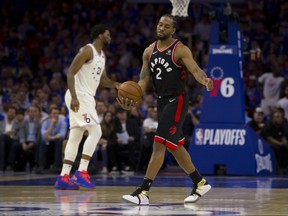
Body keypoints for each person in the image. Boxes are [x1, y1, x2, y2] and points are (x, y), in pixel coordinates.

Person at [120, 14, 214, 205]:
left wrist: (204, 80)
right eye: (160, 24)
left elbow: (195, 70)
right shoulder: (148, 51)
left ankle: (143, 192)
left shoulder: (180, 49)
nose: (161, 28)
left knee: (159, 143)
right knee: (175, 147)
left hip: (177, 100)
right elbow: (144, 79)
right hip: (161, 101)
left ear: (173, 30)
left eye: (166, 26)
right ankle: (200, 183)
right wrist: (134, 96)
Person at [54, 24, 125, 190]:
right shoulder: (87, 50)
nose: (110, 37)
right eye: (108, 34)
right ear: (100, 35)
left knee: (76, 135)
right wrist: (74, 96)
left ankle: (64, 177)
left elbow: (103, 79)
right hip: (78, 95)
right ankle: (81, 172)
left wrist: (116, 85)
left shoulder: (102, 55)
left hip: (87, 97)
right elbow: (71, 72)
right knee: (96, 131)